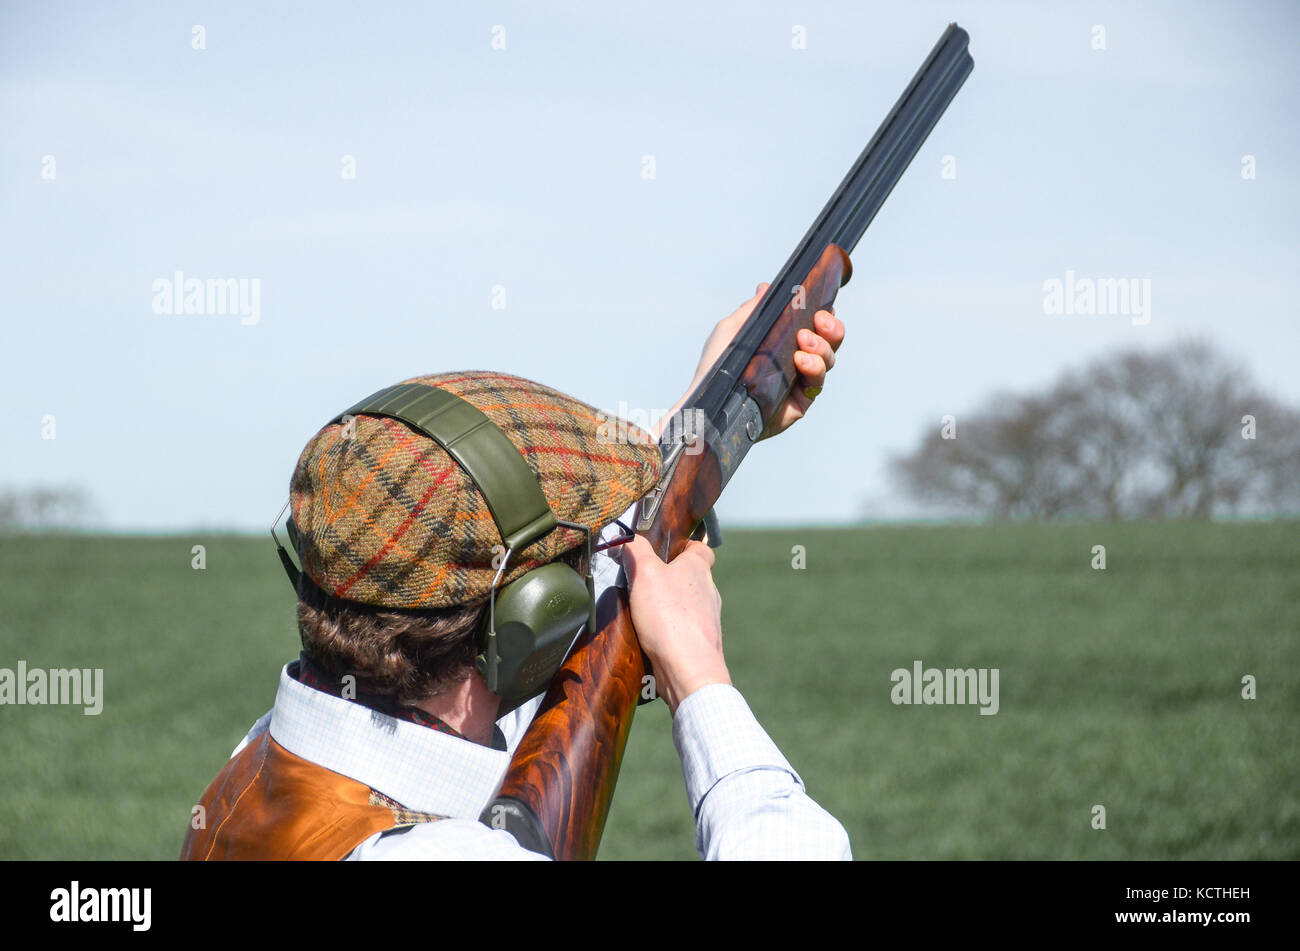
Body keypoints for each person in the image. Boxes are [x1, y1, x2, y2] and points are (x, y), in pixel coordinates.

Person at [180, 284, 850, 860]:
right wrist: (698, 672)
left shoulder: (263, 761)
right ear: (529, 622)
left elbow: (480, 594)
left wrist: (712, 413)